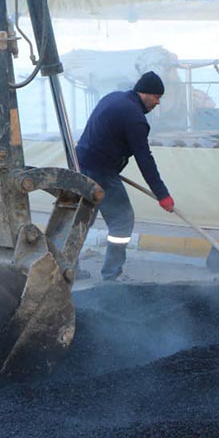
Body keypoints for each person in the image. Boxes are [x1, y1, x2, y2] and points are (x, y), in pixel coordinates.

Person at [75, 71, 175, 281]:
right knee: (122, 220)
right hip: (100, 171)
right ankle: (112, 274)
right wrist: (162, 194)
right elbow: (144, 160)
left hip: (80, 164)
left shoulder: (113, 98)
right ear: (145, 93)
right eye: (157, 97)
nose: (157, 103)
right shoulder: (135, 118)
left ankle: (67, 267)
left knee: (83, 218)